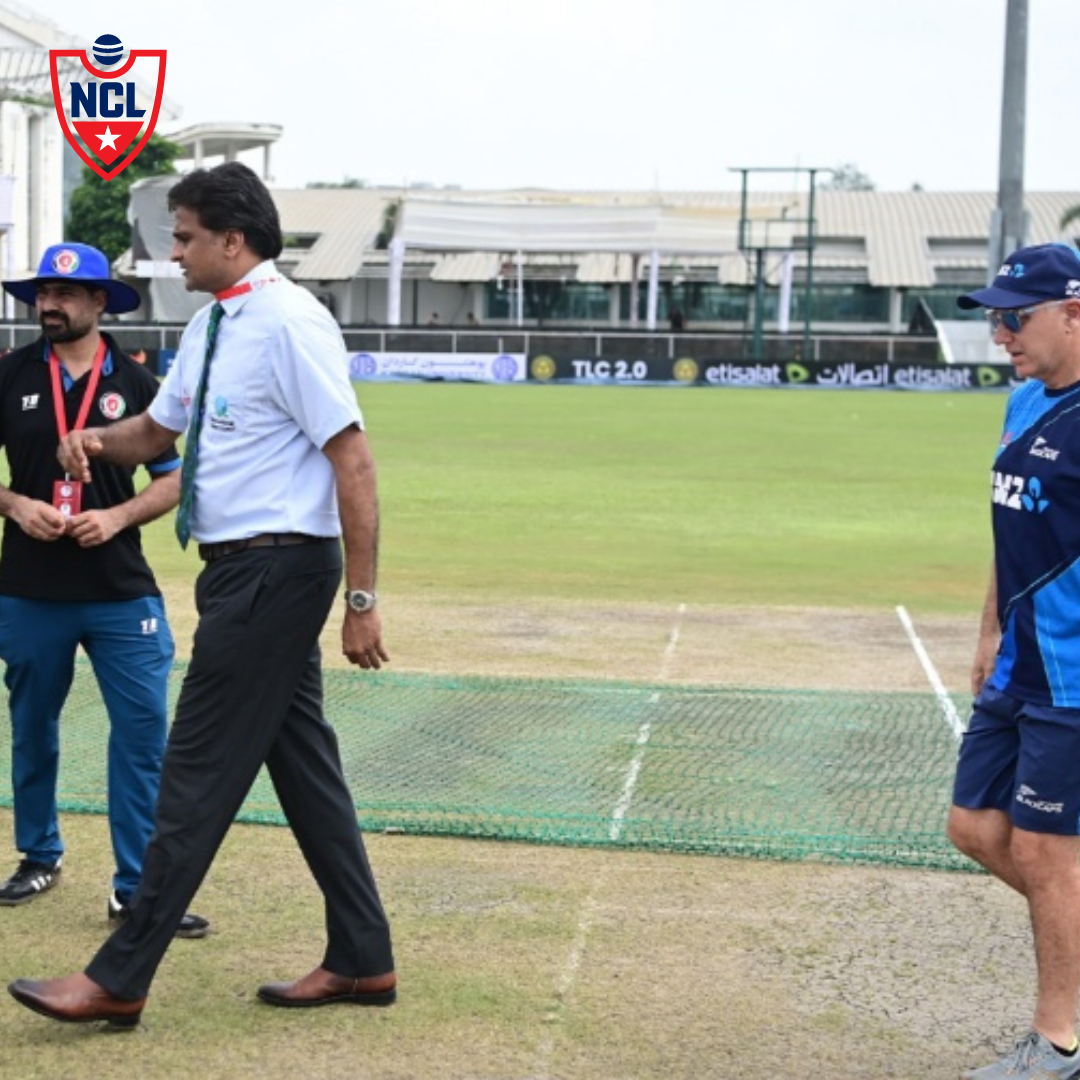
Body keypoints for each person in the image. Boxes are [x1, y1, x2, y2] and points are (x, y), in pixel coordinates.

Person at [7, 162, 395, 1027]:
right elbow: (157, 430)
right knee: (306, 774)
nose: (169, 251)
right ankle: (364, 959)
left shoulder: (291, 323)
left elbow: (353, 459)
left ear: (232, 237)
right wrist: (95, 442)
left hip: (278, 569)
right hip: (237, 572)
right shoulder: (217, 323)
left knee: (192, 774)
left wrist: (361, 602)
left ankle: (120, 975)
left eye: (182, 236)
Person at [0, 243, 207, 939]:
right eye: (41, 293)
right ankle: (39, 854)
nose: (48, 305)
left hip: (120, 589)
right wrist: (14, 505)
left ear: (99, 303)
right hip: (28, 588)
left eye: (65, 293)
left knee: (144, 732)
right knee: (33, 727)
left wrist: (116, 515)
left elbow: (178, 479)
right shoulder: (9, 374)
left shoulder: (141, 386)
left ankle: (136, 886)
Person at [947, 242, 1080, 1080]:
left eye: (1015, 317)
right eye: (994, 317)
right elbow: (1010, 532)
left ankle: (1058, 1040)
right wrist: (990, 629)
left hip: (1073, 682)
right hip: (1017, 667)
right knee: (973, 829)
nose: (1000, 334)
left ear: (1074, 313)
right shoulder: (1024, 402)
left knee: (1043, 852)